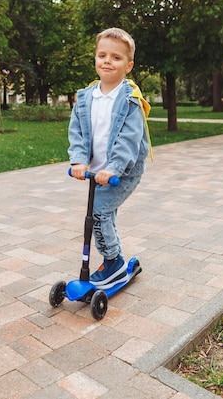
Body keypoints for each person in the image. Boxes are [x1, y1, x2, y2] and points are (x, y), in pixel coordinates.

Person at [68, 27, 152, 290]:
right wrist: (79, 161)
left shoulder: (131, 100)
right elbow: (78, 132)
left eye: (115, 57)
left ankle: (113, 261)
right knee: (103, 213)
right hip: (96, 170)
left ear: (128, 66)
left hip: (122, 172)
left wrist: (114, 167)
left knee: (100, 212)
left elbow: (129, 139)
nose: (107, 61)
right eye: (102, 55)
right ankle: (113, 259)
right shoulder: (85, 97)